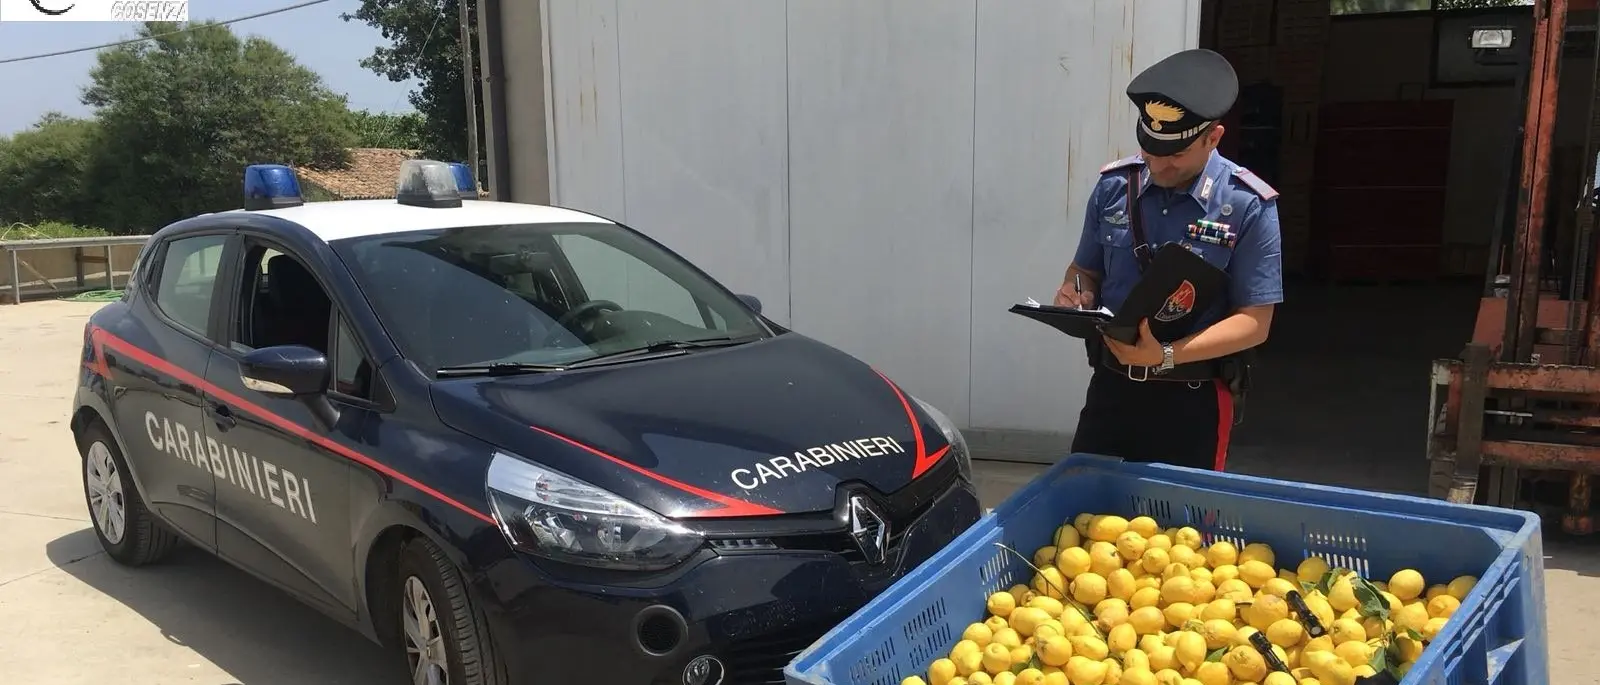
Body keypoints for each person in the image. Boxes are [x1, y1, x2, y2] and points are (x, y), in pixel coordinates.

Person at [1052, 48, 1284, 471]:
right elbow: (1084, 270)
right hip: (1111, 390)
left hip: (1192, 400)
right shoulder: (1114, 188)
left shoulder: (1246, 204)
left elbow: (1255, 322)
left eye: (1174, 154)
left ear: (1213, 137)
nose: (1157, 164)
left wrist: (1165, 355)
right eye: (1149, 149)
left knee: (1182, 513)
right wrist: (1076, 292)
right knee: (1086, 502)